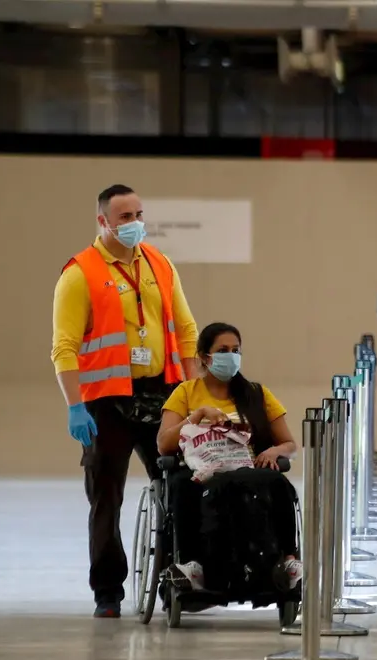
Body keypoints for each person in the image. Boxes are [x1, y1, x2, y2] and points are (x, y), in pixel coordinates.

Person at [52, 184, 199, 619]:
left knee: (180, 485)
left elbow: (187, 330)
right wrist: (75, 405)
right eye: (124, 217)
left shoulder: (160, 264)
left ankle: (178, 580)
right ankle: (108, 592)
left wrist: (193, 392)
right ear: (103, 222)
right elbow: (64, 347)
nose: (135, 223)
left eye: (138, 214)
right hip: (106, 401)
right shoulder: (79, 273)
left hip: (161, 393)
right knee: (106, 496)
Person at [157, 322, 301, 592]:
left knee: (278, 483)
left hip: (246, 468)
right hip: (201, 471)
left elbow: (290, 444)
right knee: (181, 485)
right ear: (204, 357)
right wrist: (198, 415)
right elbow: (164, 444)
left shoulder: (256, 394)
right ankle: (194, 565)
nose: (231, 356)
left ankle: (287, 560)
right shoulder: (186, 392)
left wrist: (273, 451)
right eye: (223, 350)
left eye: (236, 350)